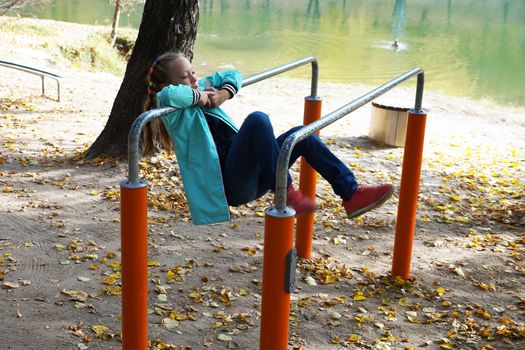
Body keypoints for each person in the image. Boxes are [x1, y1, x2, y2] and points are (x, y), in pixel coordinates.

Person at [143, 51, 394, 225]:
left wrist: (223, 94)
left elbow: (234, 74)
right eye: (185, 77)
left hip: (257, 174)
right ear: (170, 83)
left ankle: (350, 194)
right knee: (257, 120)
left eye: (193, 72)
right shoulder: (172, 108)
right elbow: (170, 95)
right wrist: (201, 98)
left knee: (301, 136)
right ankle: (287, 191)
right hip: (230, 184)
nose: (194, 79)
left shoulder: (201, 87)